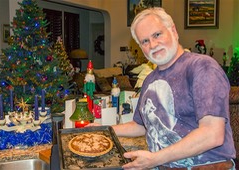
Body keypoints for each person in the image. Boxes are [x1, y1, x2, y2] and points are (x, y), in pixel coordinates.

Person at [90, 7, 236, 169]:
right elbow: (140, 125)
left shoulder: (202, 67)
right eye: (145, 41)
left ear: (173, 31)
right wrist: (106, 129)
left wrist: (155, 159)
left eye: (157, 35)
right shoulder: (150, 80)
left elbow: (212, 134)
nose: (153, 44)